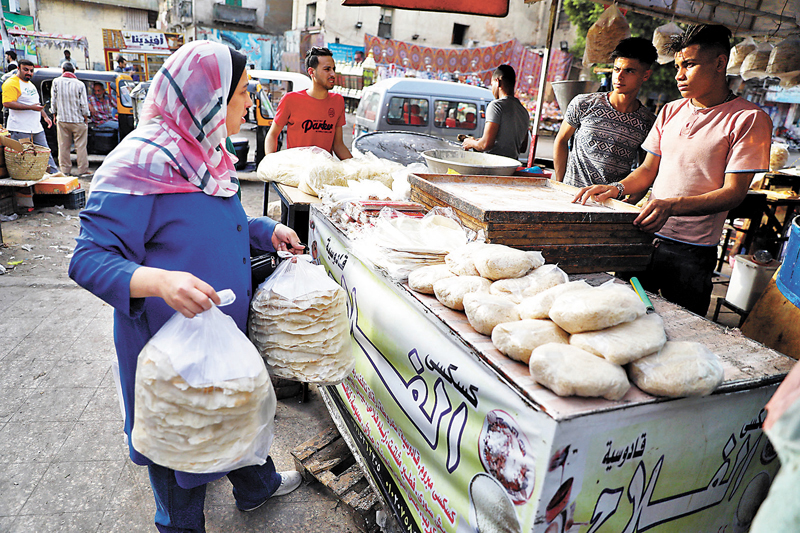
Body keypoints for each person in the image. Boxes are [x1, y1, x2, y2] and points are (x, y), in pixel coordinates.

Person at [67, 40, 304, 532]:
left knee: (231, 409)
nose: (249, 105)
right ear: (208, 97)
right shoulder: (139, 161)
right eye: (241, 93)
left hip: (219, 333)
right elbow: (88, 258)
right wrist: (160, 281)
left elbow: (219, 220)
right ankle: (179, 524)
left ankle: (255, 488)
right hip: (169, 347)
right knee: (180, 441)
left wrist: (265, 230)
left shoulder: (206, 153)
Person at [574, 24, 772, 316]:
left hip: (690, 255)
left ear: (719, 63)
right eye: (678, 65)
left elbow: (733, 193)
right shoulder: (670, 110)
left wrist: (672, 206)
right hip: (644, 239)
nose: (679, 75)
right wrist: (617, 188)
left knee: (680, 328)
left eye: (689, 65)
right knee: (631, 314)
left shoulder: (749, 119)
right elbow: (647, 170)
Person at [554, 37, 658, 188]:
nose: (619, 76)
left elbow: (645, 169)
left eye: (629, 71)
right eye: (616, 69)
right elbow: (561, 140)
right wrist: (559, 183)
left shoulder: (648, 122)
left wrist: (630, 200)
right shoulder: (584, 103)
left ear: (646, 75)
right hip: (571, 197)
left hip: (609, 204)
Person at [264, 46, 352, 159]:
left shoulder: (337, 101)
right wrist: (270, 161)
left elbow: (338, 145)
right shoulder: (290, 100)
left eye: (333, 69)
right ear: (312, 72)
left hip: (325, 172)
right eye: (327, 69)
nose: (333, 74)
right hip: (296, 172)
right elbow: (272, 135)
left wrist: (357, 168)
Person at [461, 64, 530, 160]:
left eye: (492, 84)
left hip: (493, 166)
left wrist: (471, 142)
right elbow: (523, 147)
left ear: (498, 82)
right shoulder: (523, 111)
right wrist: (479, 142)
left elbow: (486, 145)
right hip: (511, 167)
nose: (492, 88)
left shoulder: (496, 106)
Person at [2, 58, 58, 173]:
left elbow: (35, 103)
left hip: (36, 128)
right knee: (22, 159)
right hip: (20, 128)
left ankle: (56, 177)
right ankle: (24, 187)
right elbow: (7, 103)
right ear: (18, 69)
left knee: (46, 153)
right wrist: (31, 108)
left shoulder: (29, 84)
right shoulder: (11, 83)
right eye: (25, 70)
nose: (29, 73)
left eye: (31, 71)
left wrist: (44, 116)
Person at [50, 62, 90, 176]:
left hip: (62, 119)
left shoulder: (56, 82)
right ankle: (83, 170)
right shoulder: (80, 84)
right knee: (81, 147)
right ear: (74, 70)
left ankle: (65, 171)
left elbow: (54, 101)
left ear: (62, 70)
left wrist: (54, 114)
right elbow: (84, 104)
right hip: (78, 120)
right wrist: (85, 117)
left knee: (63, 146)